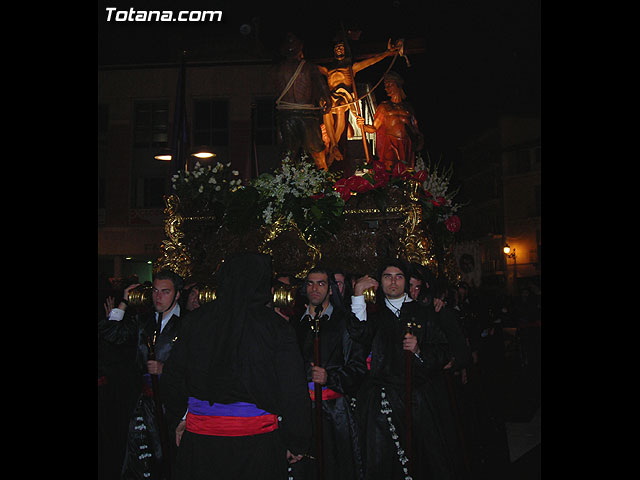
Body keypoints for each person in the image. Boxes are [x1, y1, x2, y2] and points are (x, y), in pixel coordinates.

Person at [160, 253, 312, 480]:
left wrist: (180, 417)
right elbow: (292, 391)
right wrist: (297, 441)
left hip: (202, 442)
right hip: (255, 445)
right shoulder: (275, 327)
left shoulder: (195, 321)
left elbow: (172, 378)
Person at [349, 259, 468, 480]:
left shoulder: (424, 312)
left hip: (418, 398)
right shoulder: (374, 314)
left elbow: (443, 350)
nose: (393, 282)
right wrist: (357, 295)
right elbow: (359, 334)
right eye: (387, 276)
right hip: (381, 402)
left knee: (425, 460)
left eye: (399, 276)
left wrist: (419, 350)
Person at [99, 269, 185, 480]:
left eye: (165, 292)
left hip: (171, 404)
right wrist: (124, 303)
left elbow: (195, 365)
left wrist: (165, 369)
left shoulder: (186, 324)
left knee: (168, 457)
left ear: (177, 294)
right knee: (139, 456)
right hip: (143, 402)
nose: (158, 297)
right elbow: (110, 334)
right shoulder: (144, 320)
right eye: (155, 291)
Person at [290, 266, 368, 480]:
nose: (315, 289)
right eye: (310, 283)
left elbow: (358, 369)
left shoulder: (345, 324)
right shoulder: (296, 325)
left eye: (321, 284)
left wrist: (329, 378)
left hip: (336, 414)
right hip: (303, 412)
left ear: (331, 289)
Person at [318, 35, 403, 167]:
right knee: (326, 108)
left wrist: (387, 53)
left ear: (346, 50)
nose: (339, 50)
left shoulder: (351, 68)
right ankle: (333, 145)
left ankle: (334, 145)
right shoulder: (327, 69)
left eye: (341, 48)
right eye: (337, 48)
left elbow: (371, 61)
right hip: (331, 97)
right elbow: (312, 67)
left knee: (340, 107)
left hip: (344, 97)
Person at [274, 32, 332, 170]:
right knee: (317, 153)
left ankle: (282, 185)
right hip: (306, 116)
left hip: (287, 116)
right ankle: (324, 182)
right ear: (300, 49)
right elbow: (322, 88)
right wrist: (327, 101)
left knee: (287, 156)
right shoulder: (310, 67)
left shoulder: (277, 69)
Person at [356, 71, 423, 171]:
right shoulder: (384, 107)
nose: (386, 88)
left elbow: (415, 129)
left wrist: (419, 140)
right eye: (385, 86)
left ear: (397, 85)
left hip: (405, 144)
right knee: (390, 169)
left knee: (405, 171)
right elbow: (374, 128)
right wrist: (362, 125)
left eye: (389, 85)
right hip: (390, 144)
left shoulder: (408, 108)